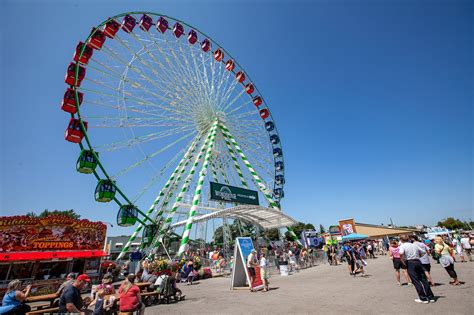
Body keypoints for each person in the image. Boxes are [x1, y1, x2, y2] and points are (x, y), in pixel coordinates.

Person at [399, 235, 435, 304]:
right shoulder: (414, 245)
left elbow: (401, 253)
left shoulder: (403, 246)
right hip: (418, 261)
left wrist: (402, 260)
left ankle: (423, 298)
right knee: (423, 279)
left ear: (401, 240)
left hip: (410, 262)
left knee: (415, 280)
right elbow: (423, 252)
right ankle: (430, 296)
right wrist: (418, 256)